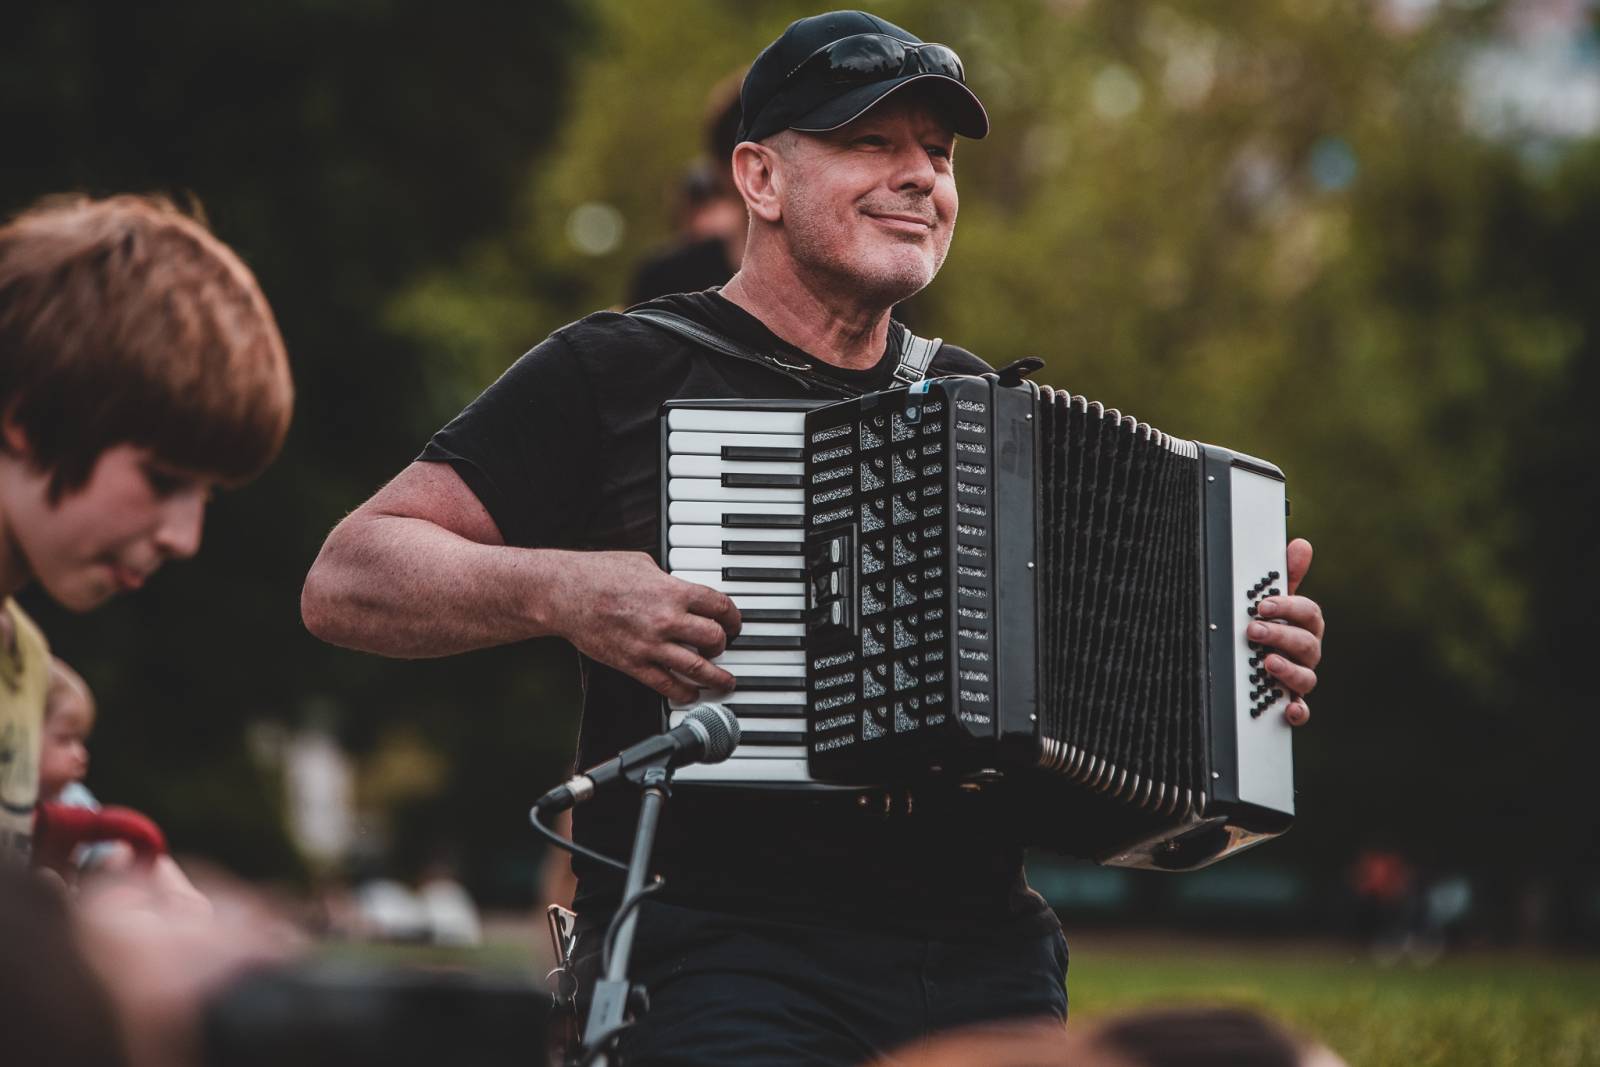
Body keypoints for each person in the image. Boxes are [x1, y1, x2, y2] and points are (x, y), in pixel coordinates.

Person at [301, 10, 1326, 1064]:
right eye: (871, 142)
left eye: (936, 152)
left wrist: (1236, 663)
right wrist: (562, 590)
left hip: (980, 952)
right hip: (716, 947)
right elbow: (348, 573)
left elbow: (1086, 701)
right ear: (758, 178)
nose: (920, 175)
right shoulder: (619, 368)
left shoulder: (983, 409)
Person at [0, 193, 294, 866]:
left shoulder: (27, 663)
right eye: (163, 478)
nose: (183, 538)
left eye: (206, 494)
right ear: (25, 416)